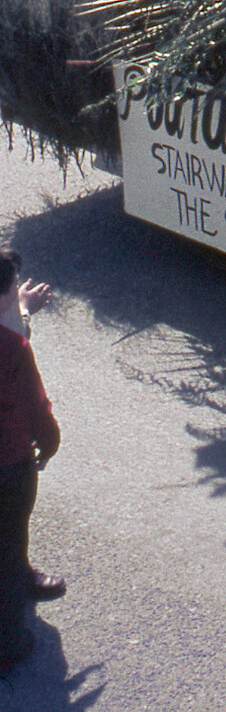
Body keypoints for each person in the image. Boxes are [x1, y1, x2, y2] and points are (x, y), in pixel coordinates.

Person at [0, 248, 62, 675]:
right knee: (7, 541)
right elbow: (34, 408)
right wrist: (50, 440)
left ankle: (21, 576)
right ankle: (8, 642)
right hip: (7, 462)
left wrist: (19, 307)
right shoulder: (12, 348)